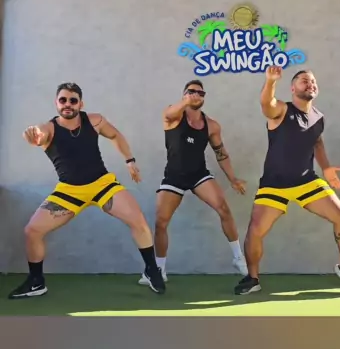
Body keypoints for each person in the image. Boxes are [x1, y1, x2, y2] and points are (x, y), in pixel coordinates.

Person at [8, 82, 165, 299]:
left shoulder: (94, 120)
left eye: (73, 100)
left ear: (81, 104)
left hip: (102, 185)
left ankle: (151, 270)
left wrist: (129, 160)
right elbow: (39, 133)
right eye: (63, 100)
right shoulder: (49, 128)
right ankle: (36, 282)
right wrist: (33, 134)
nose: (67, 104)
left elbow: (115, 135)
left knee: (138, 221)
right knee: (32, 231)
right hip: (69, 192)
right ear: (56, 103)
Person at [234, 67, 340, 296]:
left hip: (306, 181)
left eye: (313, 81)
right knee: (256, 230)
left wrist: (326, 168)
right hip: (274, 184)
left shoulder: (318, 117)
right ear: (293, 88)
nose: (310, 84)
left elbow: (317, 142)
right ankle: (252, 278)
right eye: (304, 81)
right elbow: (266, 105)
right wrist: (270, 81)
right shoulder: (282, 110)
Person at [138, 79, 248, 284]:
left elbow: (221, 153)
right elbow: (169, 113)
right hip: (174, 176)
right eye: (191, 91)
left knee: (224, 208)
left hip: (199, 175)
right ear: (183, 95)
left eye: (200, 93)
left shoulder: (211, 125)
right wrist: (186, 101)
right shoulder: (173, 116)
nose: (196, 95)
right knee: (161, 222)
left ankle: (238, 257)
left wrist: (232, 178)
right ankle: (158, 270)